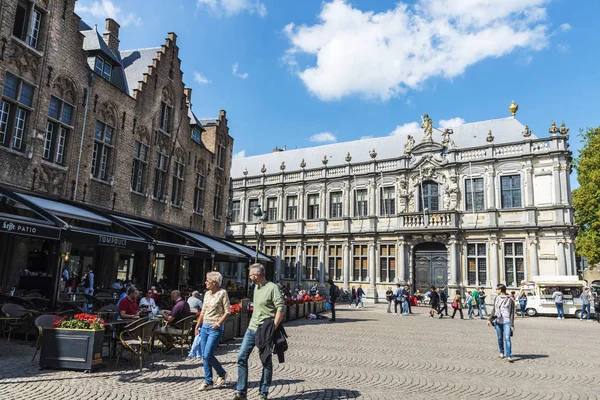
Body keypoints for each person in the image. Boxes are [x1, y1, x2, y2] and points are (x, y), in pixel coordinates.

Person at [233, 263, 284, 400]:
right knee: (241, 357)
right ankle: (241, 392)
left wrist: (273, 327)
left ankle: (263, 392)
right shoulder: (256, 287)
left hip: (265, 329)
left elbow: (280, 308)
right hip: (251, 328)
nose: (249, 277)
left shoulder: (272, 288)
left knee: (266, 361)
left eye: (250, 275)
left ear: (257, 275)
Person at [194, 272, 231, 391]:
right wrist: (197, 325)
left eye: (207, 281)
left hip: (215, 327)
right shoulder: (206, 294)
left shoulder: (222, 293)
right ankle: (208, 381)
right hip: (204, 326)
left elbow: (227, 311)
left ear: (214, 283)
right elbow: (203, 311)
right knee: (205, 357)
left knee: (207, 354)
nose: (205, 283)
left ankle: (221, 373)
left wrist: (218, 323)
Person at [488, 284, 516, 362]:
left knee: (507, 338)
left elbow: (512, 313)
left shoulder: (510, 299)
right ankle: (501, 352)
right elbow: (494, 310)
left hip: (507, 321)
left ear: (500, 290)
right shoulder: (497, 298)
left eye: (497, 289)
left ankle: (509, 355)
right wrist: (489, 319)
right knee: (500, 338)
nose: (496, 290)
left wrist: (512, 325)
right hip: (498, 321)